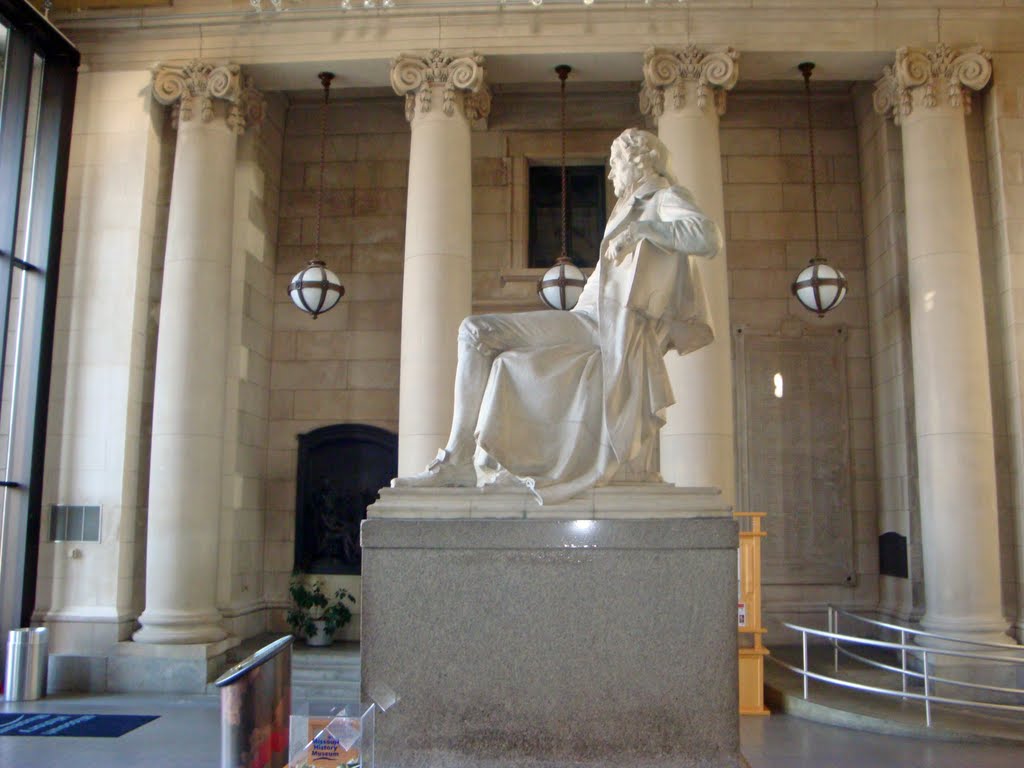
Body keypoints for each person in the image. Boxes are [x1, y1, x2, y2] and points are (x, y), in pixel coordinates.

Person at [393, 127, 721, 504]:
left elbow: (707, 237)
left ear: (637, 160)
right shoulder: (628, 205)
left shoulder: (663, 197)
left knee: (475, 331)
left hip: (602, 328)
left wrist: (643, 229)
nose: (611, 175)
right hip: (585, 317)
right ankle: (462, 457)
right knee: (493, 348)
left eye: (615, 165)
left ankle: (457, 459)